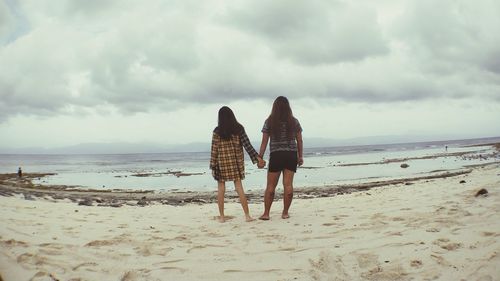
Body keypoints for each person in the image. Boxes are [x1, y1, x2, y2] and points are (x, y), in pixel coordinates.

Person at [210, 106, 266, 223]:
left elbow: (214, 150)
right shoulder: (239, 129)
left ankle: (221, 217)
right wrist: (258, 158)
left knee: (221, 189)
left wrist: (213, 165)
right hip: (235, 163)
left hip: (222, 164)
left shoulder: (217, 131)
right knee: (239, 188)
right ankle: (247, 216)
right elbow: (248, 146)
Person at [258, 96, 303, 220]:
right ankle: (285, 212)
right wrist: (300, 156)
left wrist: (260, 157)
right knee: (288, 185)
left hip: (276, 155)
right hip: (290, 155)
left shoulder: (269, 121)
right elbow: (299, 140)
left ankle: (266, 213)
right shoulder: (294, 121)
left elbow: (264, 142)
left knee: (271, 186)